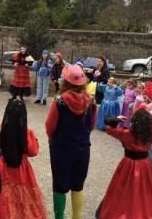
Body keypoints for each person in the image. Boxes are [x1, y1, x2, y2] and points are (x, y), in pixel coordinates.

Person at [45, 64, 97, 219]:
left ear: (65, 82)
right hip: (82, 148)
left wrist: (52, 138)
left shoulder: (60, 101)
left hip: (61, 148)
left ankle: (59, 217)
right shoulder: (91, 101)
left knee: (59, 185)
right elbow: (92, 125)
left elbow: (50, 126)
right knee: (78, 184)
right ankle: (77, 217)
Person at [96, 109, 152, 219]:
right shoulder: (151, 135)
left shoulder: (126, 134)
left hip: (128, 165)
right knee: (145, 189)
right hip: (145, 165)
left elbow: (109, 129)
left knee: (123, 188)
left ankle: (124, 210)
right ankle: (143, 211)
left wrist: (116, 120)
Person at [0, 99, 47, 219]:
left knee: (6, 197)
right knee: (24, 197)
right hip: (22, 169)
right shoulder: (27, 133)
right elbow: (33, 151)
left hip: (4, 168)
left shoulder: (0, 130)